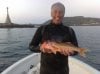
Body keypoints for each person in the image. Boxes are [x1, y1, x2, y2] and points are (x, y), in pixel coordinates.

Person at [29, 2, 78, 74]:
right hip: (45, 71)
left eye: (61, 12)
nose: (58, 15)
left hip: (63, 71)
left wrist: (70, 52)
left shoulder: (70, 30)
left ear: (64, 14)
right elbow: (31, 46)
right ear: (51, 13)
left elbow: (76, 50)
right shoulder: (42, 29)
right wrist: (40, 48)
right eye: (55, 12)